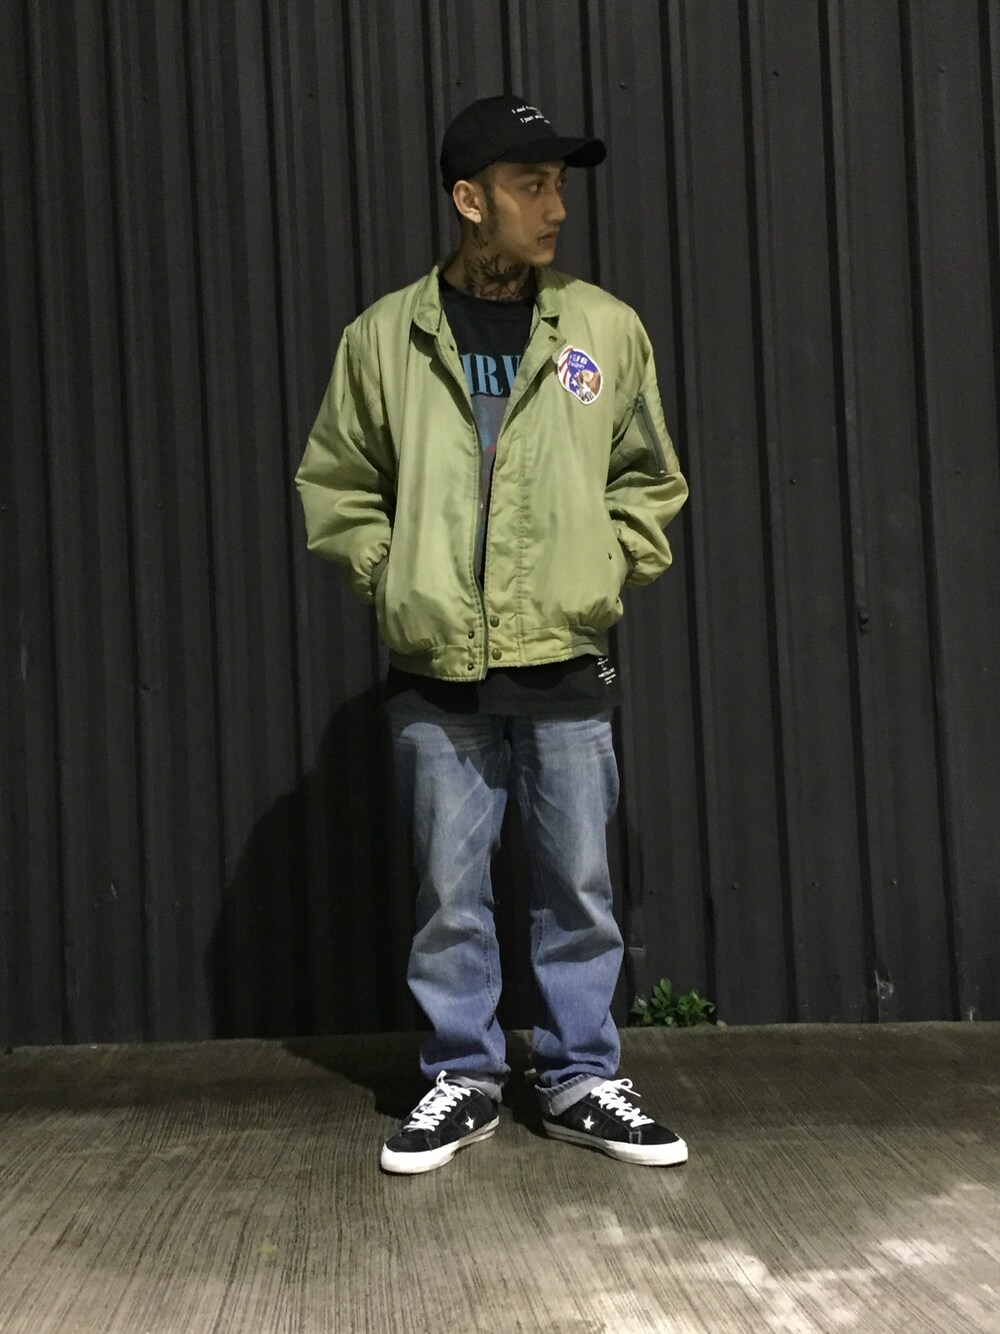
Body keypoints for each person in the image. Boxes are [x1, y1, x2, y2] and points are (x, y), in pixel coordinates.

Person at [295, 95, 689, 1175]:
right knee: (448, 899)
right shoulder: (384, 339)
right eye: (531, 185)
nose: (555, 207)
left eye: (559, 185)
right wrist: (395, 580)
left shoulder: (603, 330)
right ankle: (460, 1078)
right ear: (469, 200)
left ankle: (578, 1076)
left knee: (579, 892)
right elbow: (338, 484)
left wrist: (604, 564)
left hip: (566, 660)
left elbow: (648, 477)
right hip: (438, 671)